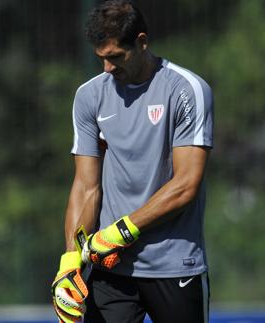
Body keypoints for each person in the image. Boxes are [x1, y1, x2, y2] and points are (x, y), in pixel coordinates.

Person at [51, 1, 214, 322]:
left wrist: (120, 232)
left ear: (141, 41)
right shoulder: (89, 96)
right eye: (101, 59)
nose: (107, 69)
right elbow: (86, 186)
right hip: (110, 270)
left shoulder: (187, 90)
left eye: (115, 57)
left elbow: (185, 186)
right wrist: (70, 260)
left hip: (175, 265)